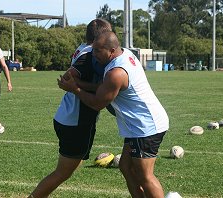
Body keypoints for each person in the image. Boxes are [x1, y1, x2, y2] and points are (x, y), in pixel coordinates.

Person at [58, 31, 169, 198]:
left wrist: (75, 89)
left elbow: (98, 102)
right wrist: (77, 82)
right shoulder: (124, 54)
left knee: (145, 176)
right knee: (126, 166)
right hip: (138, 126)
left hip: (145, 127)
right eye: (93, 49)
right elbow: (104, 88)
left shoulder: (116, 72)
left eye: (97, 51)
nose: (93, 55)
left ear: (111, 50)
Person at [29, 18, 112, 198]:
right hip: (75, 121)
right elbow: (67, 78)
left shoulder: (85, 48)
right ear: (101, 36)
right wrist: (96, 87)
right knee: (62, 173)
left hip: (76, 118)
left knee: (71, 167)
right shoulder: (89, 53)